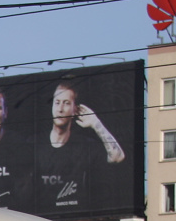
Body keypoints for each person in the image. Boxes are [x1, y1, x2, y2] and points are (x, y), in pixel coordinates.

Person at [35, 80, 126, 212]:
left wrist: (95, 123)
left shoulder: (86, 146)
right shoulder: (34, 144)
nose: (60, 109)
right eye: (57, 102)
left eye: (66, 103)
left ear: (75, 109)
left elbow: (117, 157)